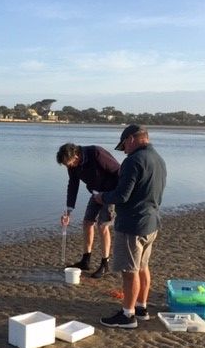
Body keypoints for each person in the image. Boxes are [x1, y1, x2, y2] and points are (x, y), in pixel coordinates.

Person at [94, 124, 167, 328]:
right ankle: (141, 308)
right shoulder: (158, 159)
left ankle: (127, 315)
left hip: (133, 225)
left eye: (124, 145)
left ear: (131, 140)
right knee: (142, 266)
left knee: (129, 271)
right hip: (151, 222)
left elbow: (121, 196)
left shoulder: (133, 161)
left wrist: (102, 198)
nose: (124, 150)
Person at [56, 143, 120, 278]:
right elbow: (73, 185)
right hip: (95, 193)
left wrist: (119, 195)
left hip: (110, 193)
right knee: (87, 223)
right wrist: (68, 211)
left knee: (102, 226)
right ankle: (86, 260)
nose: (69, 167)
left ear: (76, 155)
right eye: (66, 165)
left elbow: (118, 171)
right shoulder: (72, 165)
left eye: (69, 163)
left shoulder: (96, 153)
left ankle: (105, 264)